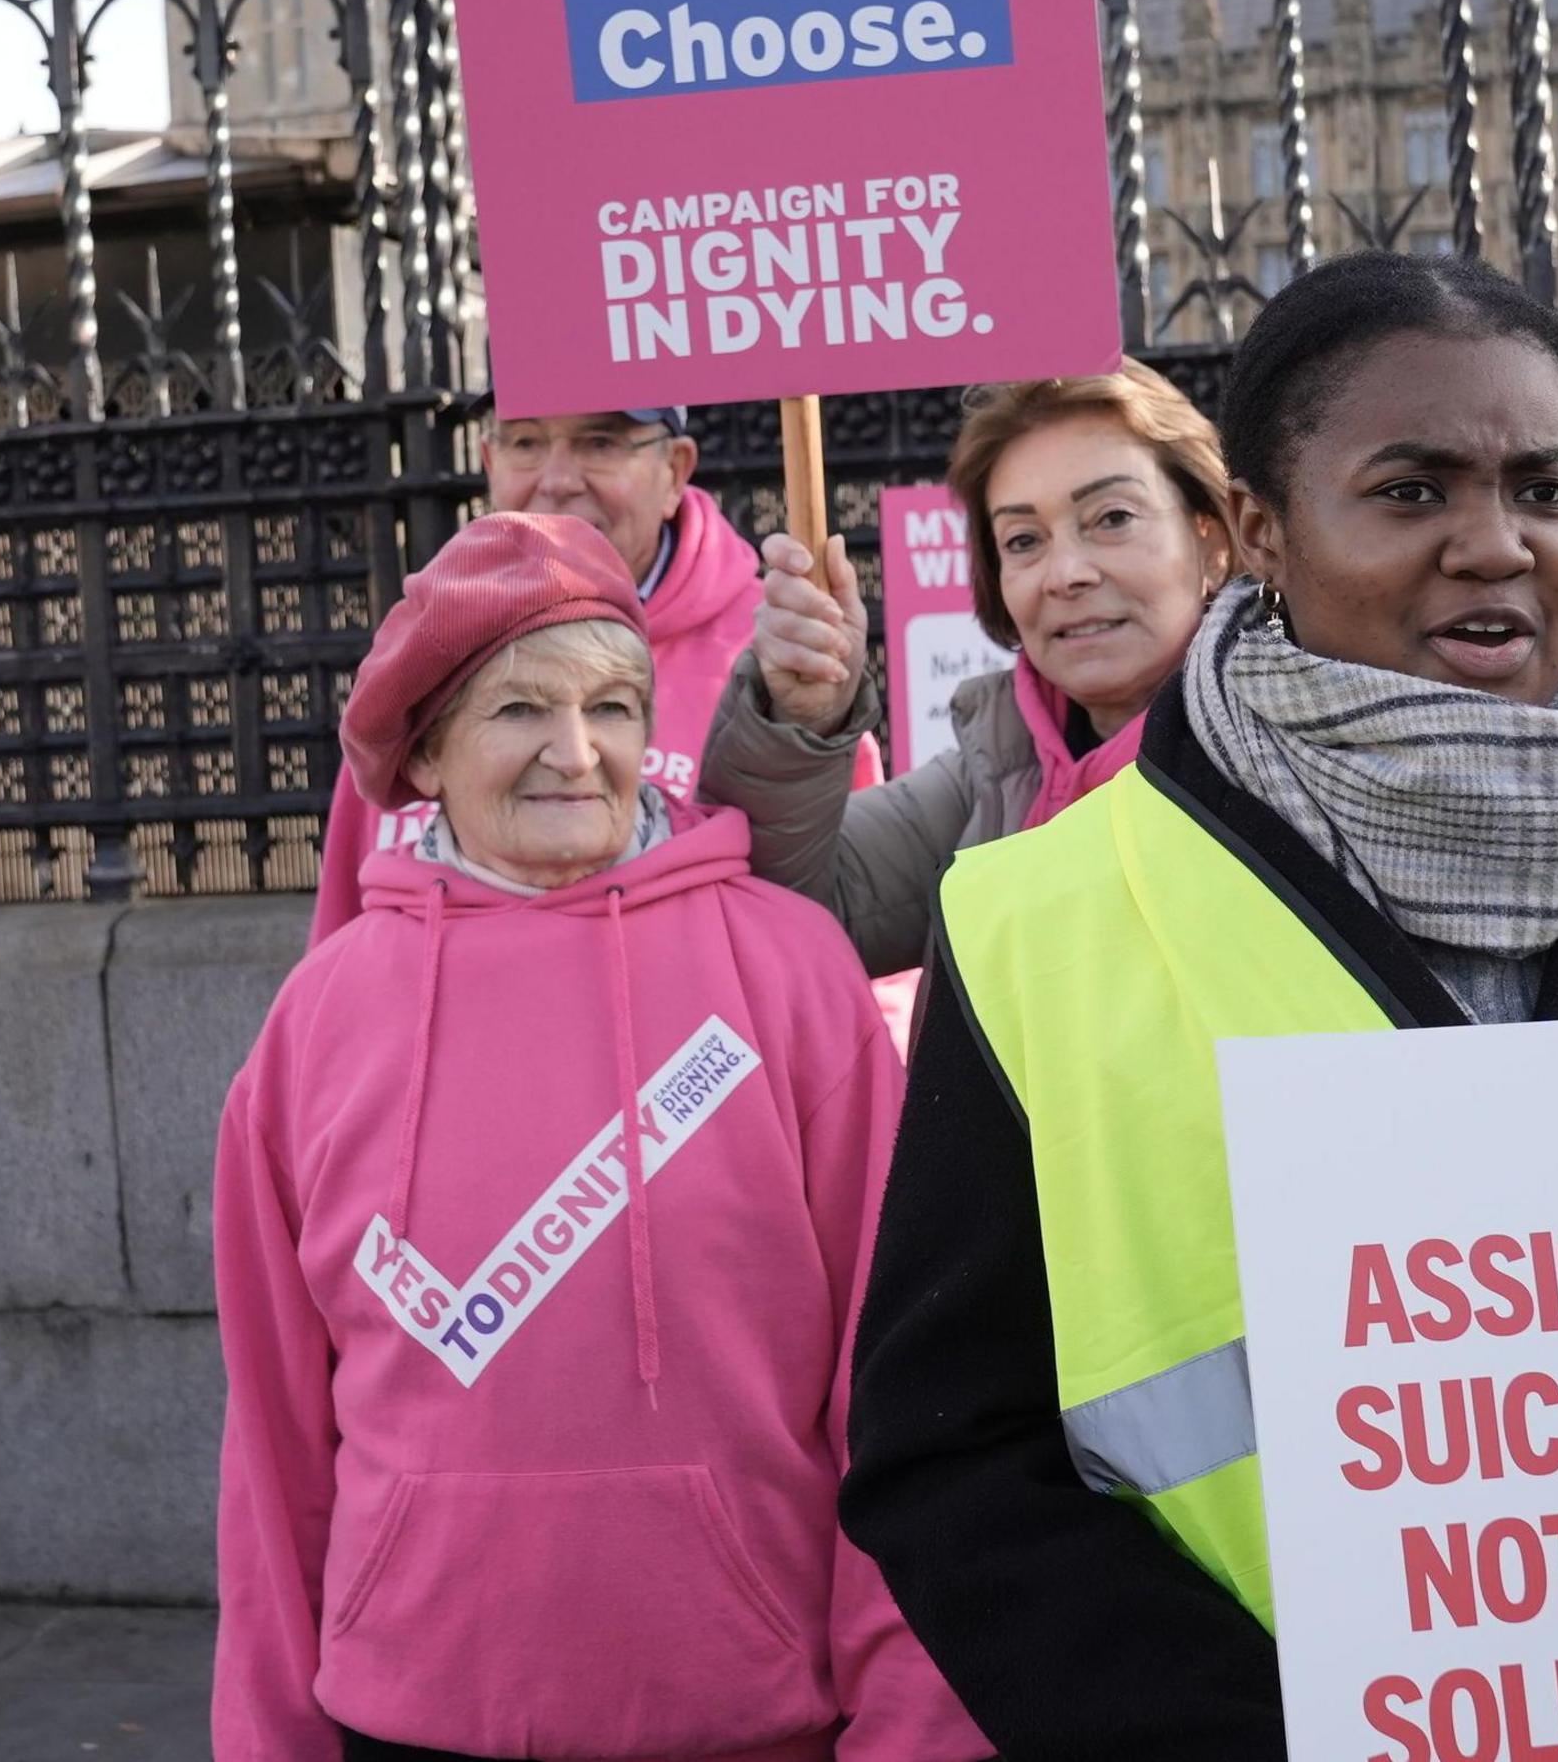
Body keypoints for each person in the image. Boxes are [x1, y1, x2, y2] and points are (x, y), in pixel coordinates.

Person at [837, 252, 1558, 1762]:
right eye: (1411, 491)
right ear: (1257, 528)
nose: (1495, 544)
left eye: (1545, 485)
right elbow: (953, 1465)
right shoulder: (1034, 921)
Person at [211, 512, 981, 1762]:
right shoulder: (319, 1019)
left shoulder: (787, 971)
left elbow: (897, 1388)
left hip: (754, 1719)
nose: (577, 752)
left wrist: (916, 1729)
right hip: (410, 1715)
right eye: (520, 708)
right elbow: (273, 1441)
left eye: (616, 705)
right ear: (426, 749)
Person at [697, 362, 1234, 975]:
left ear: (1211, 540)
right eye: (1023, 540)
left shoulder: (1292, 756)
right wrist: (797, 720)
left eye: (1112, 518)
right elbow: (770, 917)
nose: (1066, 574)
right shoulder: (993, 776)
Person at [307, 406, 776, 943]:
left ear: (675, 469)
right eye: (525, 442)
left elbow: (845, 938)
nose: (557, 482)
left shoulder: (774, 650)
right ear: (488, 459)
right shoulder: (429, 653)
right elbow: (343, 948)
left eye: (599, 443)